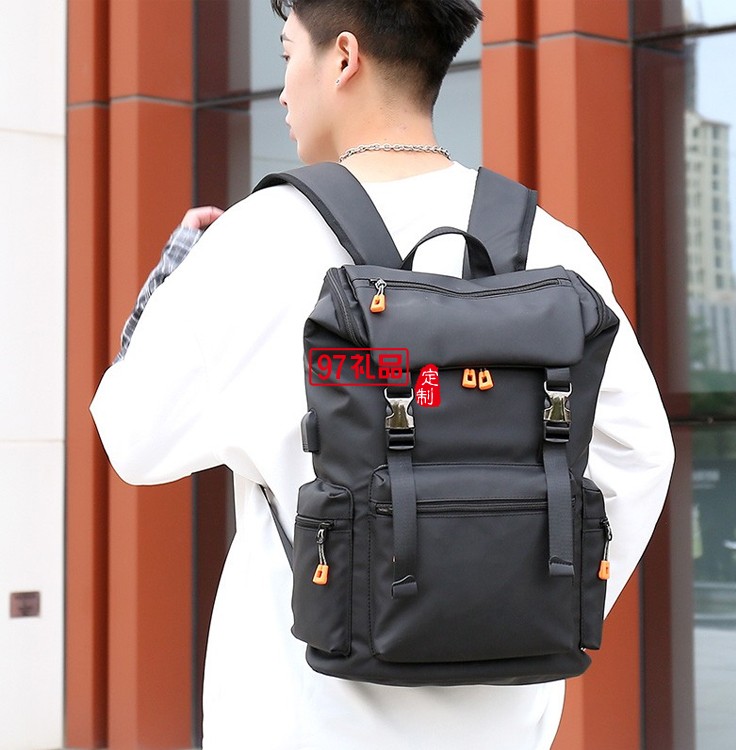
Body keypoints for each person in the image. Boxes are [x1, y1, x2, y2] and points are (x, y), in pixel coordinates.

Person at [90, 1, 674, 748]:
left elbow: (132, 440)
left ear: (343, 57)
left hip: (301, 715)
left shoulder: (254, 240)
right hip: (503, 722)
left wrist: (174, 272)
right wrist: (521, 596)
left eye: (287, 56)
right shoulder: (551, 245)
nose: (283, 90)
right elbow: (640, 454)